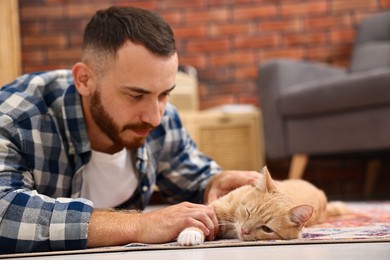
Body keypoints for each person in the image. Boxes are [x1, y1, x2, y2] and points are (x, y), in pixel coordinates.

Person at [0, 6, 261, 254]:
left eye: (165, 94)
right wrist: (141, 225)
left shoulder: (161, 115)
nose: (155, 117)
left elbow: (193, 177)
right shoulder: (15, 117)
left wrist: (214, 184)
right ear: (84, 79)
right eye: (136, 95)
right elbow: (4, 212)